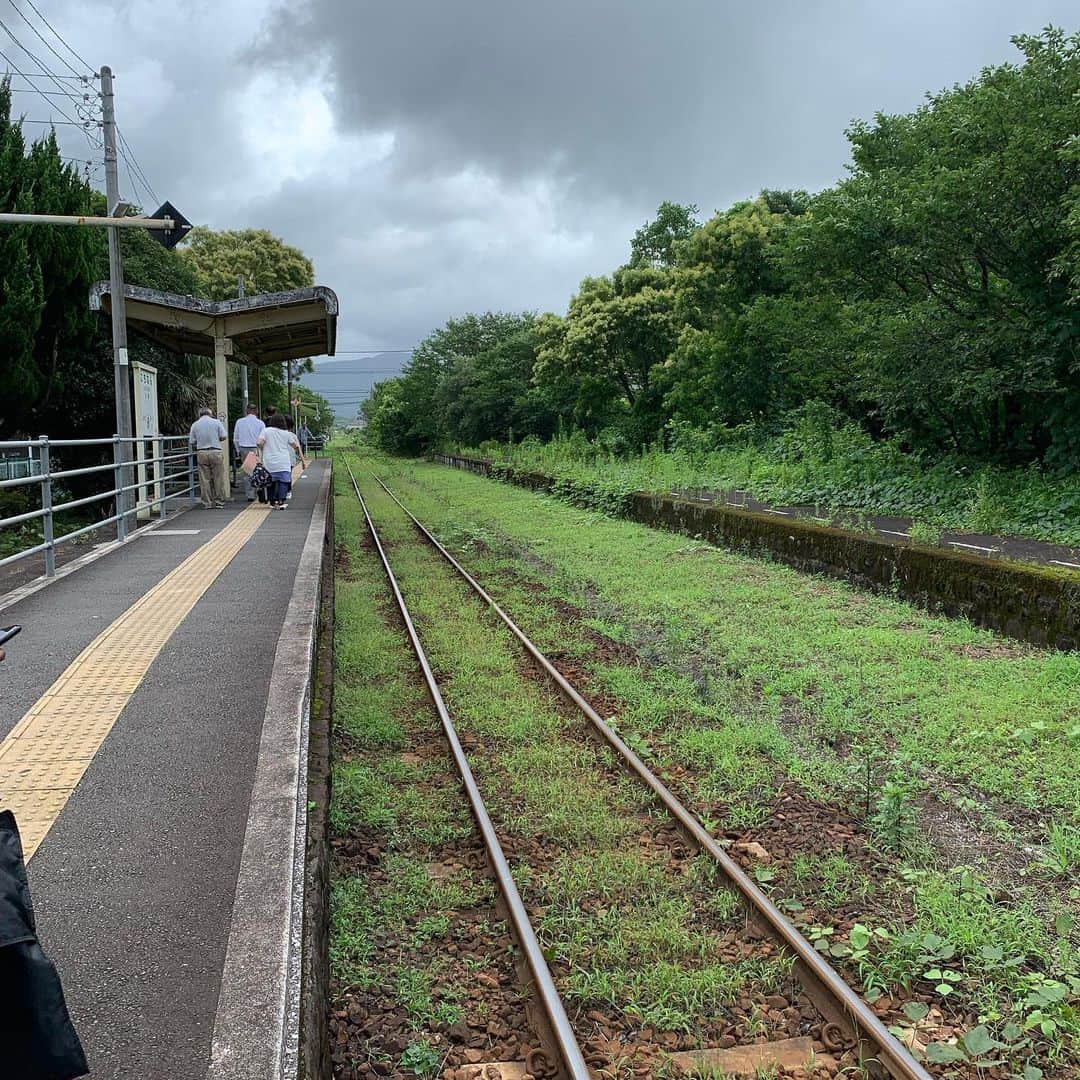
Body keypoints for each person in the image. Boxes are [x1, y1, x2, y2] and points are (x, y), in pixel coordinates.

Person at [257, 414, 307, 509]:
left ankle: (272, 501)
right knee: (283, 481)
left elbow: (259, 442)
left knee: (270, 482)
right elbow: (296, 446)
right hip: (283, 461)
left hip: (269, 461)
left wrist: (263, 448)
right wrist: (303, 461)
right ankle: (281, 500)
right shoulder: (286, 433)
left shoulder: (266, 431)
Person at [188, 407, 227, 508]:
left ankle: (207, 503)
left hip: (202, 452)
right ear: (210, 414)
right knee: (218, 478)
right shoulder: (217, 422)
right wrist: (215, 439)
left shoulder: (195, 424)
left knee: (204, 479)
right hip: (215, 451)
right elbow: (223, 436)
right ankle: (219, 502)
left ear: (200, 414)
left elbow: (192, 441)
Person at [232, 403, 266, 503]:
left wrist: (238, 450)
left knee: (247, 472)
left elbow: (235, 438)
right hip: (256, 448)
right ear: (257, 411)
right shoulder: (260, 423)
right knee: (258, 471)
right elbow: (263, 438)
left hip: (244, 448)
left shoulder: (239, 422)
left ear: (246, 411)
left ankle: (250, 494)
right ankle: (259, 490)